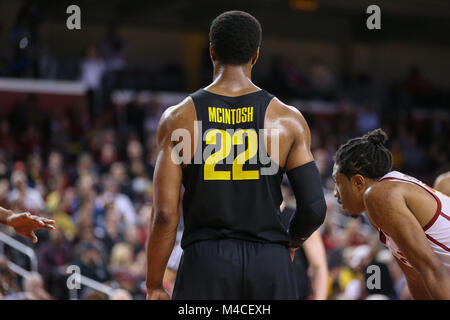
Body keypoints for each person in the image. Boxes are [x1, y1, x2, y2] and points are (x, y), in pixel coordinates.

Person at [146, 10, 326, 300]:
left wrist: (154, 284)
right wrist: (290, 243)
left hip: (206, 262)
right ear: (256, 55)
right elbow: (315, 208)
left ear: (211, 51)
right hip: (270, 262)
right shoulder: (288, 120)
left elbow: (165, 214)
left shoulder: (178, 118)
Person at [332, 128, 450, 299]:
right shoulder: (378, 207)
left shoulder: (379, 195)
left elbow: (433, 270)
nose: (335, 193)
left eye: (338, 183)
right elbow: (415, 277)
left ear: (358, 182)